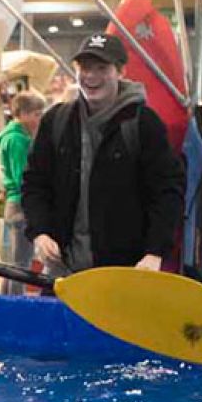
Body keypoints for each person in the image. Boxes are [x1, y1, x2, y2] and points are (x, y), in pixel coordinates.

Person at [22, 33, 185, 276]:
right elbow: (35, 184)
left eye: (102, 67)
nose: (91, 76)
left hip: (124, 274)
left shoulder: (144, 124)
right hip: (62, 272)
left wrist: (155, 252)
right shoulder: (56, 122)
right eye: (85, 67)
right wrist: (40, 232)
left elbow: (167, 192)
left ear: (121, 72)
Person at [0, 91, 46, 296]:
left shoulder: (11, 137)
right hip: (21, 204)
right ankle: (17, 302)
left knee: (12, 262)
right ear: (23, 114)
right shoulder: (17, 141)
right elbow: (21, 176)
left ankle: (6, 300)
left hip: (13, 202)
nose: (39, 119)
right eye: (36, 114)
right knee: (21, 263)